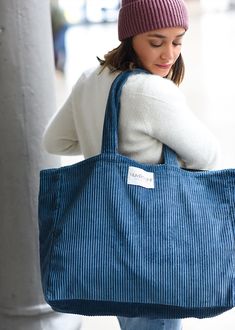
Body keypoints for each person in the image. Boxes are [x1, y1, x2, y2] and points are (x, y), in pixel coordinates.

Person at [43, 0, 220, 329]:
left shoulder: (90, 77)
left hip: (110, 242)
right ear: (130, 36)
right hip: (152, 242)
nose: (169, 54)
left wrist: (101, 138)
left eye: (178, 41)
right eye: (156, 42)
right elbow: (209, 155)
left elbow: (56, 141)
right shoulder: (149, 91)